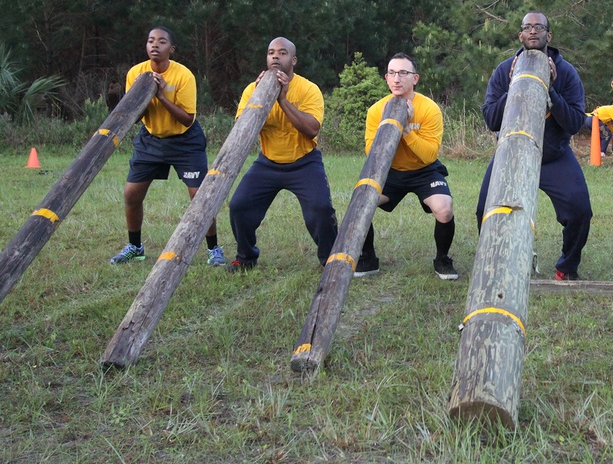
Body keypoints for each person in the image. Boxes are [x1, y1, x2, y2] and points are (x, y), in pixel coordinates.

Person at [477, 12, 592, 280]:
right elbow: (491, 120)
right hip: (511, 154)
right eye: (527, 27)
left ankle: (566, 267)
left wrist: (550, 90)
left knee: (579, 210)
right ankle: (501, 265)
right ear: (520, 35)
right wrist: (517, 83)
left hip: (553, 156)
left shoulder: (566, 72)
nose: (532, 31)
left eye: (539, 27)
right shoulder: (504, 69)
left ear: (548, 36)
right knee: (484, 210)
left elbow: (576, 123)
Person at [111, 27, 223, 266]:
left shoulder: (183, 76)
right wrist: (144, 95)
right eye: (151, 40)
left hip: (185, 141)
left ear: (170, 49)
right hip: (150, 140)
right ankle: (135, 246)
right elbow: (133, 112)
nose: (155, 45)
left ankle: (214, 249)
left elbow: (187, 119)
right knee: (131, 194)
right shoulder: (136, 73)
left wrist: (160, 96)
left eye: (161, 42)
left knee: (199, 198)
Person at [226, 37, 338, 271]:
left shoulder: (309, 89)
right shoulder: (252, 89)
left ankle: (330, 259)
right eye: (271, 53)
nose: (275, 56)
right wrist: (259, 97)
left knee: (321, 209)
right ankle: (245, 257)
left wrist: (282, 99)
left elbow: (312, 129)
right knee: (239, 205)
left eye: (282, 53)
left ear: (293, 60)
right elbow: (241, 130)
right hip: (267, 163)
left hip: (304, 162)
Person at [355, 53, 457, 280]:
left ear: (415, 78)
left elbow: (430, 154)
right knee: (361, 203)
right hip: (389, 172)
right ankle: (368, 258)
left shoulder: (429, 109)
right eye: (392, 73)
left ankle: (442, 259)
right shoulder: (376, 110)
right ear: (386, 78)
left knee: (444, 209)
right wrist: (388, 126)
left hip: (424, 170)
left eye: (403, 73)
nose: (397, 78)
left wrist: (406, 130)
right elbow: (372, 154)